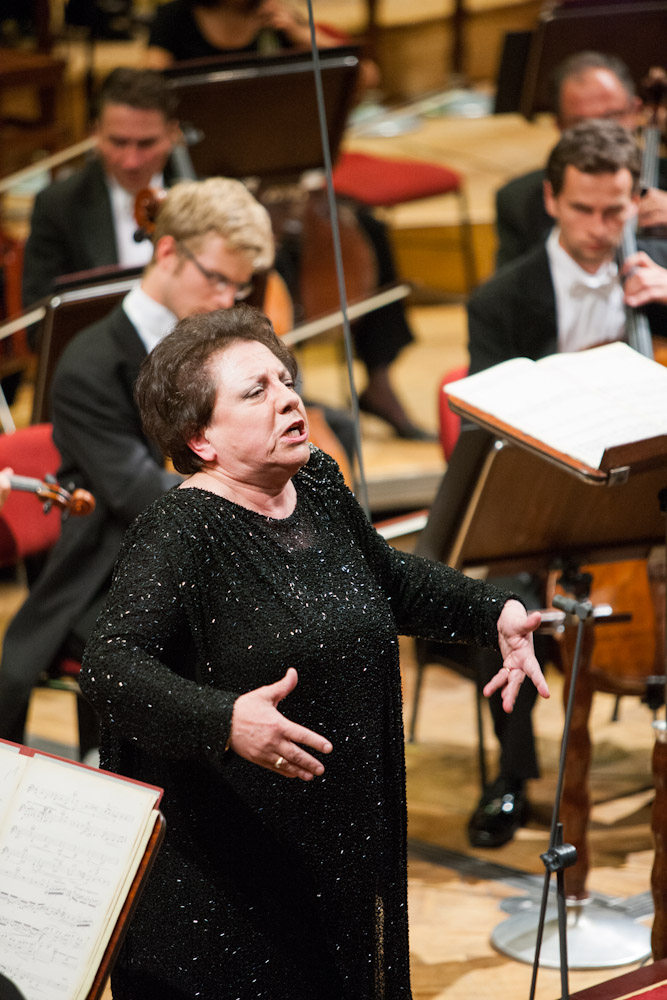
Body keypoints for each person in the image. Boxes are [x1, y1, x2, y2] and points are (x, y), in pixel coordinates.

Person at [80, 303, 549, 999]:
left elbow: (384, 579)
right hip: (234, 874)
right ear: (200, 439)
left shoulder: (316, 484)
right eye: (255, 392)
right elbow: (110, 667)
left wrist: (492, 612)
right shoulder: (178, 530)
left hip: (343, 839)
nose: (288, 399)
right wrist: (224, 720)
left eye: (285, 380)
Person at [0, 177, 274, 748]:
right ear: (168, 251)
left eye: (239, 285)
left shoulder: (222, 353)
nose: (227, 299)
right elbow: (140, 495)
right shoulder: (90, 364)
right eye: (216, 278)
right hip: (110, 574)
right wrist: (254, 509)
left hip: (201, 551)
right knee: (235, 644)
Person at [458, 118, 667, 849]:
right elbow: (487, 424)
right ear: (551, 200)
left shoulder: (657, 274)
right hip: (547, 489)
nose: (600, 228)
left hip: (646, 490)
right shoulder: (501, 300)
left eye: (615, 210)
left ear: (636, 199)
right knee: (499, 596)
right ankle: (513, 773)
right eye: (583, 209)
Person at [144, 0, 432, 440]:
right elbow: (149, 92)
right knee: (266, 256)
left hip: (287, 181)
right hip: (215, 188)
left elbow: (364, 76)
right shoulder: (175, 20)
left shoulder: (275, 18)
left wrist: (300, 34)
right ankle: (280, 384)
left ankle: (379, 381)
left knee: (368, 229)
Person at [21, 67, 181, 310]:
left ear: (172, 133)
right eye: (118, 142)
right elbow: (40, 320)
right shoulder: (58, 205)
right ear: (95, 133)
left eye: (146, 144)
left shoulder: (202, 192)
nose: (131, 161)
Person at [495, 51, 667, 270]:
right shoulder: (519, 201)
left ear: (635, 111)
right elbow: (512, 288)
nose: (599, 133)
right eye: (581, 123)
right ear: (559, 126)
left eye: (611, 117)